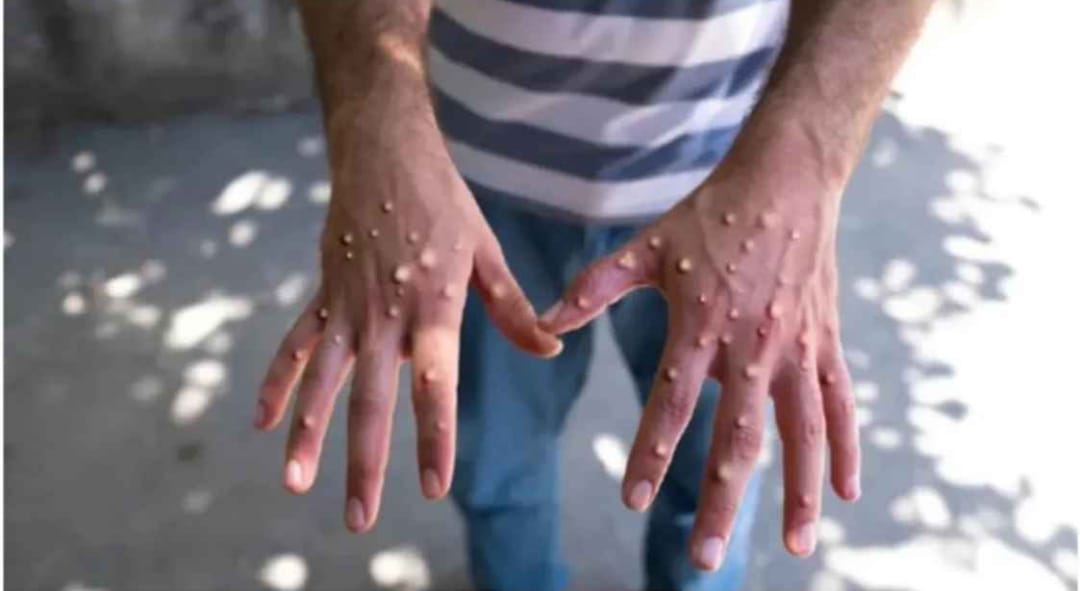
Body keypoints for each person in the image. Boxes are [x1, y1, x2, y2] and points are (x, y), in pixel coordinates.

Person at [255, 1, 933, 589]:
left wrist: (808, 155)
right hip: (462, 184)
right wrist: (372, 111)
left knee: (715, 479)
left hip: (730, 184)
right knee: (493, 471)